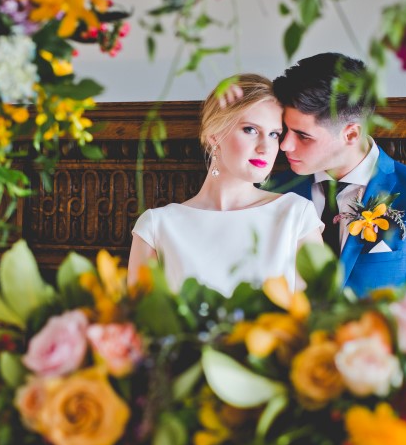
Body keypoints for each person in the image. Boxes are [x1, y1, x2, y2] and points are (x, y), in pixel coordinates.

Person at [270, 52, 406, 312]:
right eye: (284, 130)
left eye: (303, 136)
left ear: (351, 134)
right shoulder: (272, 191)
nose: (284, 145)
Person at [127, 74, 323, 296]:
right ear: (214, 135)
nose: (265, 147)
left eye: (274, 134)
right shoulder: (156, 226)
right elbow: (140, 321)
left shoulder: (296, 215)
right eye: (250, 130)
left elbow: (315, 316)